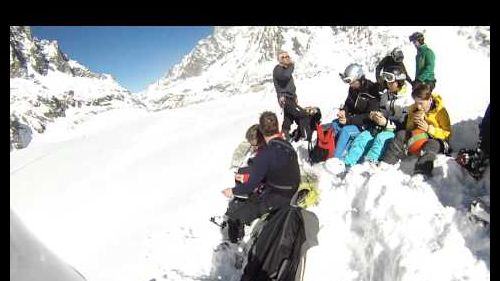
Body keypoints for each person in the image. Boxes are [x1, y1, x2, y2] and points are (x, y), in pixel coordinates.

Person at [222, 111, 300, 243]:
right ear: (278, 126)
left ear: (262, 130)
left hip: (278, 198)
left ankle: (234, 245)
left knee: (234, 217)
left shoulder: (265, 153)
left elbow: (249, 186)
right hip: (290, 191)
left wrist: (232, 191)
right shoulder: (287, 145)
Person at [343, 66, 413, 166]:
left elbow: (404, 124)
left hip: (397, 131)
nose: (388, 84)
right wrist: (376, 116)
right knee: (363, 137)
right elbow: (383, 112)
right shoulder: (386, 95)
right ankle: (348, 163)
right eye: (386, 81)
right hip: (383, 126)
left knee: (381, 138)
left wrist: (386, 123)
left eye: (391, 82)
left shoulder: (408, 99)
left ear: (399, 81)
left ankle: (370, 164)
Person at [381, 83, 451, 176]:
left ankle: (421, 172)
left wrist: (429, 129)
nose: (418, 106)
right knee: (401, 134)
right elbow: (409, 129)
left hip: (437, 141)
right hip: (418, 138)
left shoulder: (440, 111)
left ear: (430, 100)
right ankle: (386, 163)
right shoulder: (414, 109)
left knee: (431, 145)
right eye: (416, 102)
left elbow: (447, 134)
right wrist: (414, 120)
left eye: (421, 103)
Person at [333, 63, 380, 160]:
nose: (351, 85)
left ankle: (335, 159)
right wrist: (343, 113)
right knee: (335, 124)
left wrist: (348, 120)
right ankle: (328, 151)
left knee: (346, 131)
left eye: (353, 82)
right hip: (353, 119)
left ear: (360, 79)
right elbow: (348, 105)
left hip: (365, 124)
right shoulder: (353, 89)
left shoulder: (372, 91)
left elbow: (369, 116)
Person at [272, 51, 312, 141]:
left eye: (287, 56)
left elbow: (289, 83)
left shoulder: (285, 69)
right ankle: (305, 137)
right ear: (279, 60)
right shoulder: (278, 69)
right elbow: (285, 76)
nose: (286, 58)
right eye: (283, 57)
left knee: (288, 119)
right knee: (303, 115)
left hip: (291, 98)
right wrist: (291, 65)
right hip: (285, 98)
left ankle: (283, 136)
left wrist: (294, 95)